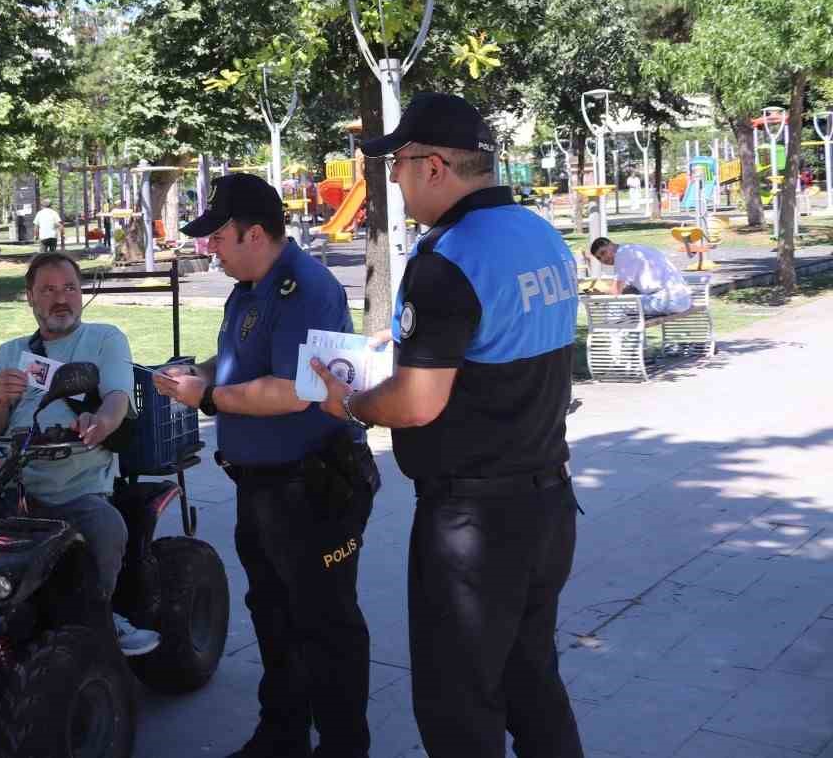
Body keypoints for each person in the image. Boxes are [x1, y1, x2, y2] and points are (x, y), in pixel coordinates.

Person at [307, 93, 585, 758]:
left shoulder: (447, 260)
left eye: (398, 164)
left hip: (474, 525)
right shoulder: (539, 233)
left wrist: (347, 404)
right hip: (547, 505)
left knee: (457, 706)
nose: (393, 180)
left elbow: (418, 404)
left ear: (434, 167)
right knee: (532, 682)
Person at [152, 171, 378, 758]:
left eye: (218, 238)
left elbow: (294, 391)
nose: (210, 249)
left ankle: (342, 746)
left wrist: (204, 396)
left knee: (325, 624)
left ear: (253, 234)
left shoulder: (304, 288)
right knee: (275, 617)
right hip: (263, 489)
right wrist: (199, 374)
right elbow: (241, 365)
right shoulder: (249, 286)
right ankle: (282, 736)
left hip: (311, 488)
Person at [0, 251, 162, 657]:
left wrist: (101, 422)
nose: (60, 299)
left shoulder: (103, 338)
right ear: (30, 297)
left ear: (82, 294)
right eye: (48, 290)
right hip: (14, 484)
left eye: (70, 288)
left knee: (106, 527)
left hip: (77, 486)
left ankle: (101, 618)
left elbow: (116, 396)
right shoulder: (10, 352)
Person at [590, 237, 692, 315]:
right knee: (627, 303)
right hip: (681, 298)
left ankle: (618, 342)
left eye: (604, 252)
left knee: (614, 305)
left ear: (611, 244)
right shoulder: (633, 249)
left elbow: (615, 293)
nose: (604, 259)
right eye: (599, 258)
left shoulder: (622, 254)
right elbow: (629, 289)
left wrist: (598, 293)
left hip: (670, 300)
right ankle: (629, 340)